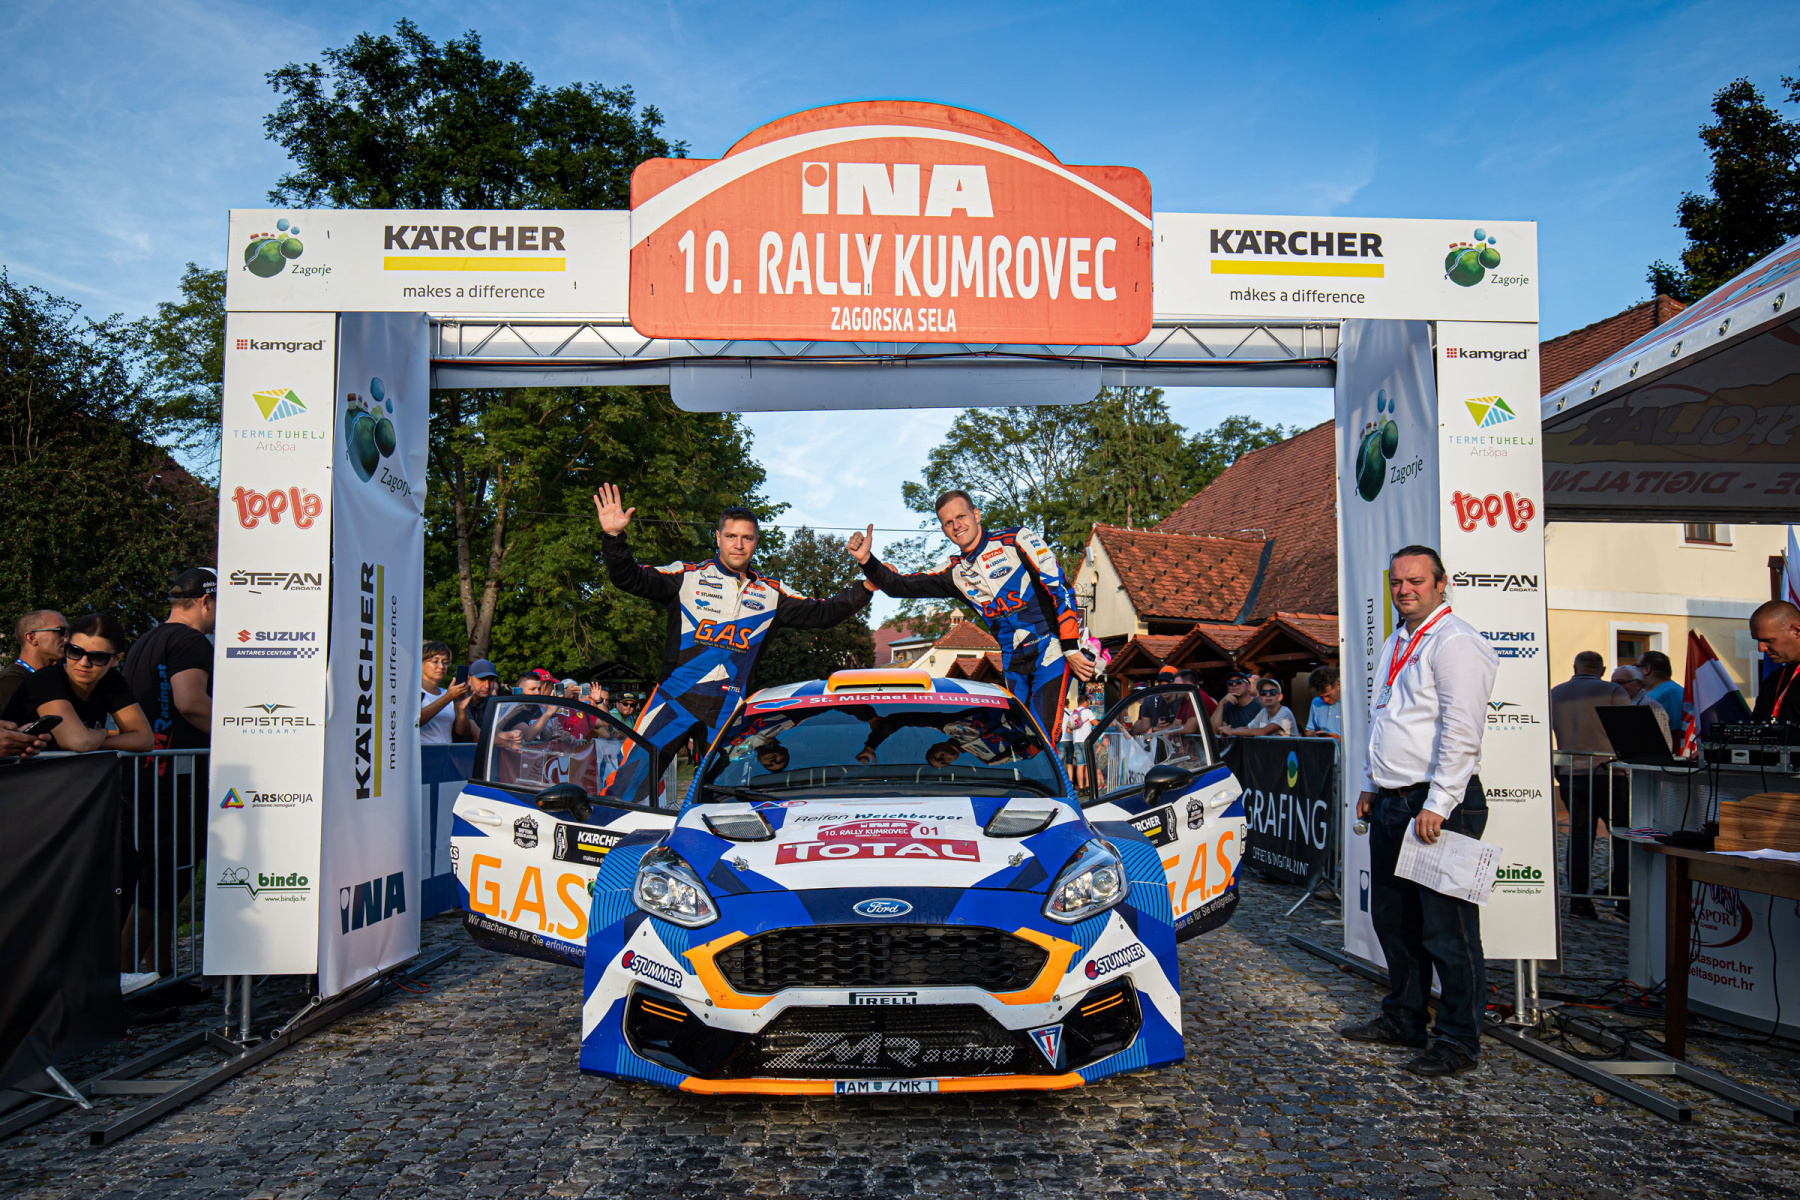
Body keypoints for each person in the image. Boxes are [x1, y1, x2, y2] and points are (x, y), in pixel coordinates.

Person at [595, 484, 875, 803]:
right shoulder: (686, 576)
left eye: (746, 537)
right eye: (731, 536)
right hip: (673, 700)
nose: (738, 544)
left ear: (756, 542)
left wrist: (866, 586)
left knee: (726, 799)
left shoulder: (772, 593)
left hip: (729, 710)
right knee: (625, 789)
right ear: (717, 538)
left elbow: (823, 613)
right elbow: (630, 578)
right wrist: (614, 538)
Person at [1339, 545, 1496, 1078]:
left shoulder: (1455, 642)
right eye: (1396, 582)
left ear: (1441, 583)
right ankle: (1405, 1017)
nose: (1404, 590)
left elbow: (1462, 731)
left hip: (1437, 805)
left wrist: (1439, 802)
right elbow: (1386, 718)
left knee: (1448, 931)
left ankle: (1458, 1040)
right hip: (1393, 800)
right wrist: (1370, 783)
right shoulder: (1398, 640)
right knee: (1397, 921)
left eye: (1416, 581)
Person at [847, 489, 1094, 739]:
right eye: (948, 523)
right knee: (1016, 739)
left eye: (961, 517)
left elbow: (1060, 588)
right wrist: (867, 561)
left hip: (1049, 650)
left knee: (1042, 736)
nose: (956, 526)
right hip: (1013, 661)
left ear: (976, 515)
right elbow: (899, 586)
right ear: (944, 530)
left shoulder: (1016, 539)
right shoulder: (954, 572)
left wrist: (1070, 647)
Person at [1551, 651, 1631, 921]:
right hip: (1610, 773)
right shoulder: (1614, 691)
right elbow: (1628, 731)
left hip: (1571, 773)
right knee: (1621, 837)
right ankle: (1624, 903)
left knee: (1579, 837)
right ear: (1603, 669)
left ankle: (1579, 903)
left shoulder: (1555, 693)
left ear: (1575, 667)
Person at [8, 613, 154, 753]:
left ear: (116, 659)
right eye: (75, 651)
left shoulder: (111, 679)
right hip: (21, 769)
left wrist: (92, 741)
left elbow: (144, 739)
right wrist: (102, 733)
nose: (83, 663)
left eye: (97, 657)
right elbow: (77, 741)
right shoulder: (45, 679)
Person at [122, 568, 215, 753]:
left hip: (147, 762)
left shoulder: (144, 640)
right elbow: (191, 703)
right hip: (178, 762)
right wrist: (232, 735)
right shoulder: (190, 641)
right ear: (205, 602)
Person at [1, 608, 68, 713]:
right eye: (60, 632)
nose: (66, 639)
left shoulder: (54, 679)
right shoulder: (10, 682)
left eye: (68, 633)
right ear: (32, 638)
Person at [1749, 600, 1800, 723]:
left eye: (1768, 640)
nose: (1761, 648)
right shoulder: (1773, 680)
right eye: (1758, 640)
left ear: (1797, 631)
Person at [1610, 664, 1672, 748]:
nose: (1616, 687)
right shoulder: (1620, 703)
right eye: (1613, 683)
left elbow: (1656, 744)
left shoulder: (1650, 707)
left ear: (1638, 684)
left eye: (1621, 682)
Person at [418, 642, 465, 745]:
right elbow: (415, 721)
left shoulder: (448, 693)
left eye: (445, 662)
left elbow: (461, 731)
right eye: (435, 661)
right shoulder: (414, 693)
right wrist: (448, 697)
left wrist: (461, 710)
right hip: (423, 751)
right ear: (420, 663)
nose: (441, 666)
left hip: (445, 752)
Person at [1226, 678, 1298, 738]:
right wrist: (1226, 730)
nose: (1268, 695)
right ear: (1259, 698)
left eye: (1273, 692)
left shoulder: (1285, 712)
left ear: (1280, 697)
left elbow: (1263, 732)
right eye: (1263, 693)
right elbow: (1246, 728)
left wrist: (1232, 731)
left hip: (1290, 751)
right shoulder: (1263, 712)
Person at [452, 659, 501, 742]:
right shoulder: (460, 699)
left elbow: (496, 730)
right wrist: (510, 744)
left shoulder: (489, 700)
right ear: (469, 680)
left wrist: (509, 734)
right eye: (482, 679)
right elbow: (477, 736)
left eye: (491, 680)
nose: (487, 686)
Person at [1636, 650, 1685, 730]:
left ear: (1647, 669)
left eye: (1636, 666)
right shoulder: (1647, 692)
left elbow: (1677, 732)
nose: (1634, 671)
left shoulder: (1671, 693)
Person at [1209, 671, 1261, 736]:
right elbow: (1214, 730)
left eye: (1239, 682)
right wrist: (1221, 704)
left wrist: (1233, 731)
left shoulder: (1260, 704)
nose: (1234, 684)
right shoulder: (1228, 706)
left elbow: (1263, 731)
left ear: (1248, 686)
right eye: (1230, 683)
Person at [1307, 665, 1343, 741]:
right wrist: (1315, 735)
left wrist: (1340, 740)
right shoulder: (1316, 702)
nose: (1325, 700)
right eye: (1321, 697)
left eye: (1328, 696)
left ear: (1338, 685)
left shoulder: (1349, 703)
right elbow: (1309, 730)